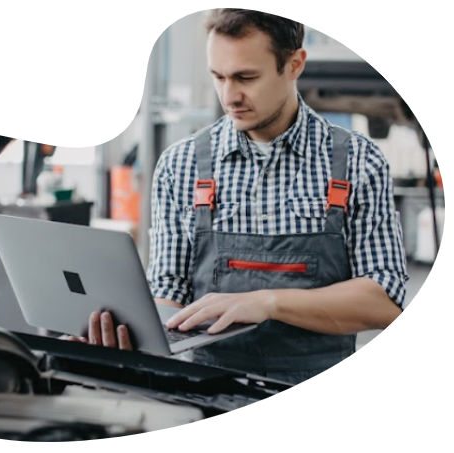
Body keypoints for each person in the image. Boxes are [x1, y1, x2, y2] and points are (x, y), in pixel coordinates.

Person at [72, 8, 408, 385]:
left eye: (246, 77)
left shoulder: (358, 162)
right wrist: (133, 329)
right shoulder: (180, 165)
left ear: (294, 64)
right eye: (219, 77)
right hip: (204, 391)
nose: (230, 96)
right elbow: (169, 293)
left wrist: (268, 302)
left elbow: (384, 300)